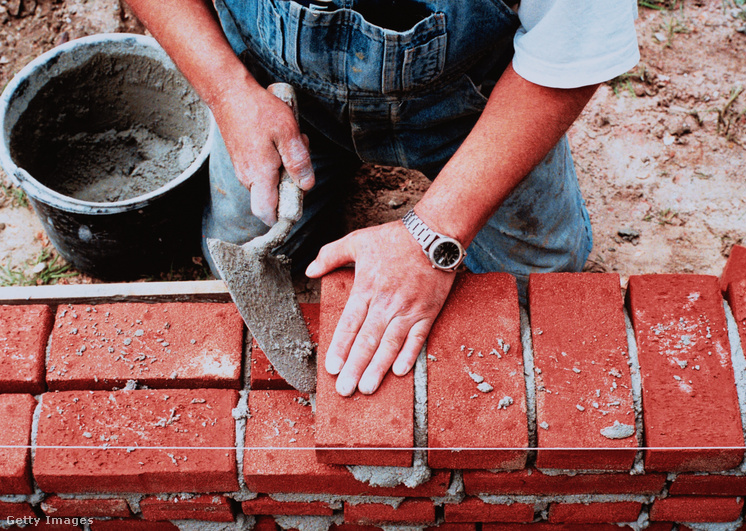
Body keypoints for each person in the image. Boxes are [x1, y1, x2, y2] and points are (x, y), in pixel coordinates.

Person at [124, 0, 639, 397]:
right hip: (277, 89)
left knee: (539, 282)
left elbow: (570, 51)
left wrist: (433, 234)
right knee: (240, 241)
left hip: (468, 102)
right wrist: (228, 91)